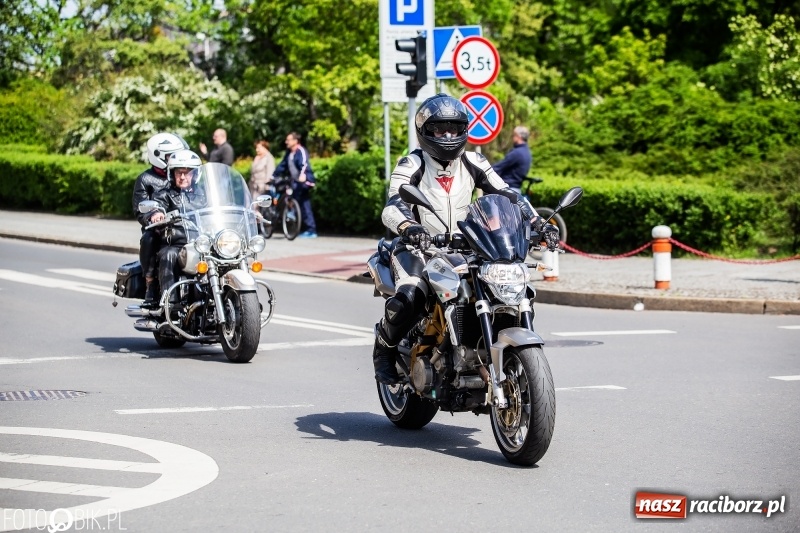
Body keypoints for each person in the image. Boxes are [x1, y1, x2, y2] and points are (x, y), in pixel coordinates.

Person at [372, 93, 558, 385]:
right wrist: (410, 226)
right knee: (411, 295)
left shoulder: (473, 161)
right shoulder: (412, 163)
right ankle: (384, 349)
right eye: (439, 129)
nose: (447, 135)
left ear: (464, 130)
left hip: (465, 247)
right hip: (419, 247)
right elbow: (394, 203)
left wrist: (537, 221)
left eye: (454, 128)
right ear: (424, 131)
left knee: (512, 286)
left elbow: (507, 193)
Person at [133, 132, 189, 307]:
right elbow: (140, 209)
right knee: (149, 239)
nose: (176, 158)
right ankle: (150, 282)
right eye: (171, 155)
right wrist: (153, 216)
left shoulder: (182, 175)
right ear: (158, 156)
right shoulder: (146, 179)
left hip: (187, 229)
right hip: (159, 229)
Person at [148, 150, 206, 311]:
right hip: (176, 243)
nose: (182, 177)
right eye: (179, 172)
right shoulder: (165, 194)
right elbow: (157, 206)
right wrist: (157, 213)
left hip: (203, 244)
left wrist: (245, 212)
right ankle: (170, 304)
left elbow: (219, 207)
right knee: (168, 255)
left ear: (195, 175)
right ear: (172, 174)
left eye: (187, 173)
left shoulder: (204, 195)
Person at [274, 131, 317, 238]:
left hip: (304, 181)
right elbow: (282, 165)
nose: (286, 142)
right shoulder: (289, 153)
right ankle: (294, 219)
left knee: (304, 204)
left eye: (288, 140)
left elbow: (304, 164)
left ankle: (311, 230)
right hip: (295, 181)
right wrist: (273, 175)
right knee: (293, 199)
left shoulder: (301, 151)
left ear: (295, 141)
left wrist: (303, 176)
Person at [491, 126, 532, 194]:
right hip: (516, 189)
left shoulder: (517, 153)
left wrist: (486, 171)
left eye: (513, 135)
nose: (512, 138)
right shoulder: (526, 151)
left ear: (518, 136)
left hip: (508, 189)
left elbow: (500, 167)